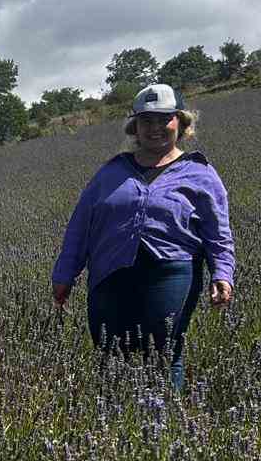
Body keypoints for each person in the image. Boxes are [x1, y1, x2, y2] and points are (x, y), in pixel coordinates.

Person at [52, 83, 234, 390]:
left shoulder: (200, 172)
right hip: (110, 273)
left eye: (165, 119)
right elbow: (81, 225)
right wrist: (65, 274)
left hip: (171, 272)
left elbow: (218, 232)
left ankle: (166, 426)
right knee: (109, 351)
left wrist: (223, 273)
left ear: (181, 122)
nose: (155, 128)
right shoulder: (112, 171)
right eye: (146, 120)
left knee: (163, 349)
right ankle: (114, 425)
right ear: (134, 126)